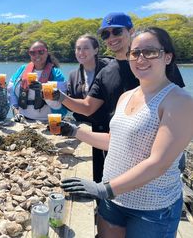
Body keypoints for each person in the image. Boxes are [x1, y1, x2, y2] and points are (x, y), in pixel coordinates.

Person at [59, 27, 193, 238]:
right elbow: (116, 142)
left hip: (152, 208)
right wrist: (75, 131)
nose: (140, 58)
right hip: (114, 201)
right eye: (135, 53)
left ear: (167, 57)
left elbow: (158, 163)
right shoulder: (126, 97)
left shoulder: (180, 101)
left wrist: (103, 189)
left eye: (150, 52)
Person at [53, 13, 185, 183]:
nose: (111, 37)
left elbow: (179, 108)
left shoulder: (157, 64)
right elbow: (88, 107)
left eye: (116, 31)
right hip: (117, 150)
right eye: (105, 34)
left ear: (131, 31)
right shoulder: (106, 72)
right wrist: (60, 97)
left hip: (158, 162)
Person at [7, 40, 67, 122]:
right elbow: (11, 90)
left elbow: (61, 102)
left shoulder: (56, 74)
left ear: (47, 52)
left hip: (49, 121)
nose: (37, 55)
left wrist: (44, 89)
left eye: (41, 52)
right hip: (24, 120)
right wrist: (16, 111)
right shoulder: (22, 70)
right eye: (32, 53)